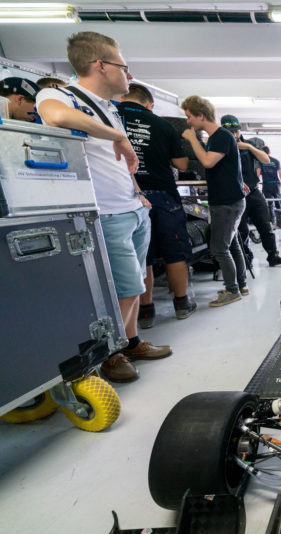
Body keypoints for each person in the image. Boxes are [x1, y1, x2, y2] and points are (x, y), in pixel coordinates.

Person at [36, 31, 172, 382]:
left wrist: (138, 191)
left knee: (136, 280)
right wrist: (120, 136)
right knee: (126, 288)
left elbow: (118, 162)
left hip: (130, 207)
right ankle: (113, 354)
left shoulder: (109, 108)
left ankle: (131, 341)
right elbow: (55, 118)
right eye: (124, 67)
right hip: (105, 212)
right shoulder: (59, 94)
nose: (128, 76)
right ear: (101, 65)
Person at [117, 83, 196, 328]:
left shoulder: (112, 117)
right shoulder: (163, 125)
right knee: (175, 252)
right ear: (149, 104)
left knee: (143, 256)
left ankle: (146, 311)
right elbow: (182, 165)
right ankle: (182, 304)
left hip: (127, 195)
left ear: (123, 98)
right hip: (164, 195)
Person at [180, 96, 248, 306]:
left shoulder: (220, 136)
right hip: (229, 200)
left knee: (219, 248)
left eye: (190, 116)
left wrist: (192, 139)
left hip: (226, 203)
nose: (188, 122)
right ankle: (241, 285)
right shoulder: (220, 138)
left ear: (201, 115)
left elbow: (208, 162)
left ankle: (232, 290)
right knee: (232, 244)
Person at [220, 115, 281, 267]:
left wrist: (249, 147)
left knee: (266, 225)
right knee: (242, 230)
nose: (234, 135)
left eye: (235, 131)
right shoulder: (222, 147)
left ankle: (273, 256)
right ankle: (246, 260)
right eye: (230, 132)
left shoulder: (249, 145)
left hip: (255, 192)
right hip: (236, 194)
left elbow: (266, 160)